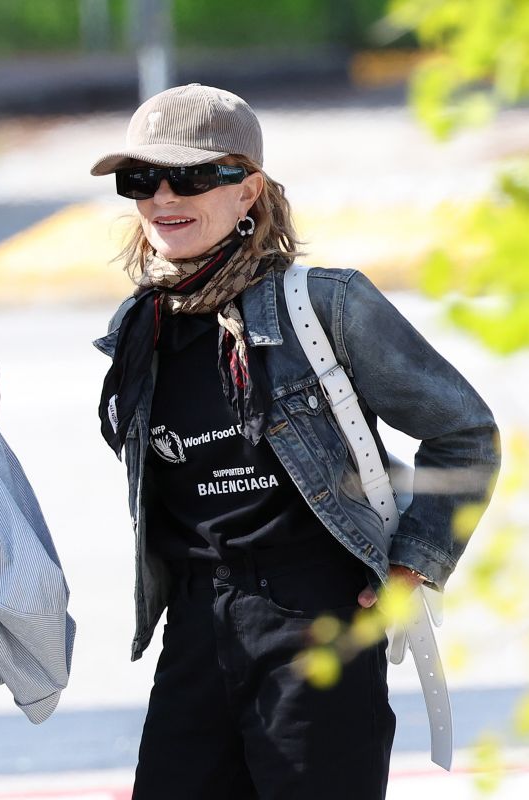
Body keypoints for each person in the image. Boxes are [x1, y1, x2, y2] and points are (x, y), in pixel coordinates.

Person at [91, 84, 499, 799]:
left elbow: (462, 432)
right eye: (139, 180)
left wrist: (415, 563)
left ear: (247, 189)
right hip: (193, 625)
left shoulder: (325, 303)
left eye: (188, 176)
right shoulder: (140, 326)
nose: (161, 197)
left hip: (317, 623)